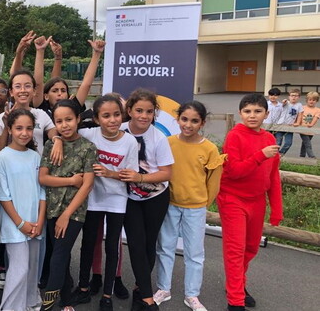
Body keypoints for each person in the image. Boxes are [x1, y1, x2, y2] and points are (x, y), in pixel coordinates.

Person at [67, 95, 138, 311]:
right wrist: (59, 141)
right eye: (106, 116)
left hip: (117, 200)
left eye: (116, 114)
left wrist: (109, 173)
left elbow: (131, 175)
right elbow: (66, 131)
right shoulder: (89, 134)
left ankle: (107, 294)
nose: (112, 120)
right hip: (92, 198)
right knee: (88, 244)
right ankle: (84, 288)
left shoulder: (130, 141)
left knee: (112, 247)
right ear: (97, 119)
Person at [153, 101, 225, 311]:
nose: (188, 124)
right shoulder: (167, 142)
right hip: (169, 204)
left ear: (202, 123)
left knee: (194, 253)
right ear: (177, 119)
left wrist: (203, 201)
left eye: (194, 121)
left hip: (196, 207)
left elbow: (214, 181)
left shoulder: (209, 148)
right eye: (184, 119)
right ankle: (163, 288)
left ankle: (192, 295)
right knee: (165, 248)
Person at [218, 93, 283, 311]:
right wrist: (260, 155)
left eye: (257, 111)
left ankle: (237, 285)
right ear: (240, 113)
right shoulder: (235, 136)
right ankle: (235, 300)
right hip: (232, 198)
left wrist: (276, 209)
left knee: (250, 248)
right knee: (235, 249)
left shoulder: (269, 139)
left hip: (257, 201)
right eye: (247, 111)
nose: (252, 116)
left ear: (266, 113)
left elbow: (273, 176)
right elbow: (234, 171)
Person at [38, 100, 96, 311]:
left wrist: (66, 215)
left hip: (74, 212)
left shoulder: (88, 147)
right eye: (59, 121)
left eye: (69, 119)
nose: (64, 125)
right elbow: (43, 178)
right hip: (52, 208)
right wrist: (70, 180)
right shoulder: (50, 145)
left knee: (59, 254)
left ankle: (48, 304)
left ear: (78, 119)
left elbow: (87, 184)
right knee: (59, 254)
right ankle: (67, 300)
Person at [119, 88, 174, 311]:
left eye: (149, 112)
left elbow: (166, 173)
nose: (144, 116)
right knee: (135, 243)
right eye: (139, 110)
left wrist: (139, 177)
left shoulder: (159, 137)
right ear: (129, 110)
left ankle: (139, 290)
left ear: (154, 114)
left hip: (156, 197)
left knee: (149, 243)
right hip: (128, 198)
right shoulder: (119, 130)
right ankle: (147, 296)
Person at [0, 109, 46, 311]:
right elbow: (2, 195)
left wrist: (39, 221)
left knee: (32, 270)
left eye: (29, 128)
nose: (24, 133)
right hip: (15, 226)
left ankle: (31, 303)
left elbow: (42, 192)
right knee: (19, 269)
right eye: (19, 128)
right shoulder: (2, 157)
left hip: (36, 224)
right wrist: (21, 224)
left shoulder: (35, 157)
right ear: (10, 129)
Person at [0, 70, 60, 157]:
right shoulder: (0, 118)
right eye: (17, 86)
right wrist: (6, 126)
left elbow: (52, 131)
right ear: (11, 92)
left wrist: (56, 139)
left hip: (37, 166)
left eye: (27, 86)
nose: (23, 90)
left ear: (34, 91)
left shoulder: (41, 114)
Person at [275, 88, 302, 155]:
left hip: (289, 127)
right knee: (278, 142)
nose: (294, 97)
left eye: (296, 96)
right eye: (292, 95)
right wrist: (284, 102)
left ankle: (280, 154)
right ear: (289, 96)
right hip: (280, 125)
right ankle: (274, 155)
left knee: (288, 143)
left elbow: (300, 115)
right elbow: (283, 104)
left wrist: (297, 122)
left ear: (298, 97)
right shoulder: (287, 103)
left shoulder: (299, 105)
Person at [295, 91, 320, 158]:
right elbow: (299, 116)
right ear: (307, 100)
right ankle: (312, 157)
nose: (311, 101)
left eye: (314, 100)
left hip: (311, 130)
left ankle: (302, 156)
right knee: (307, 144)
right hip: (302, 128)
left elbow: (315, 118)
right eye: (310, 100)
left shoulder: (317, 110)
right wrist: (297, 123)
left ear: (316, 101)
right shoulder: (302, 107)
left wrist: (311, 124)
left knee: (305, 144)